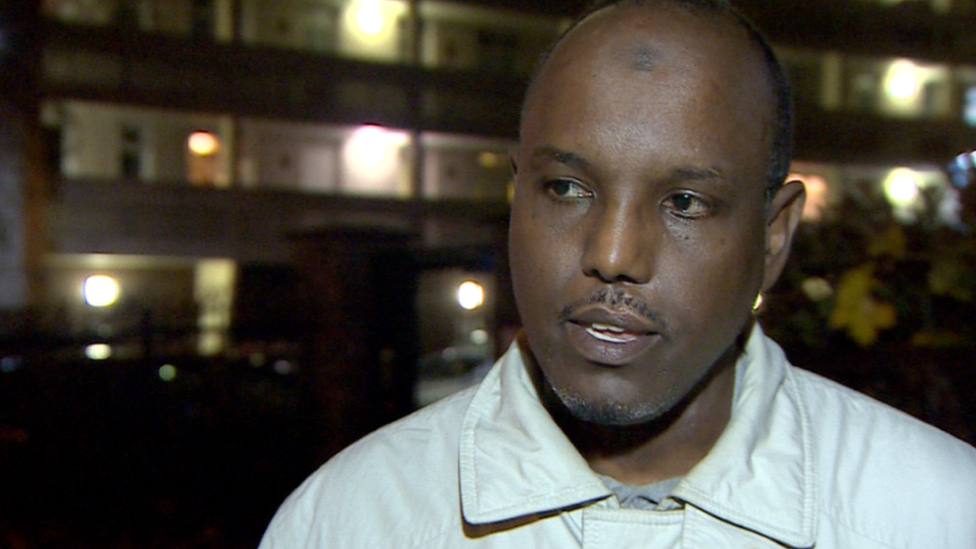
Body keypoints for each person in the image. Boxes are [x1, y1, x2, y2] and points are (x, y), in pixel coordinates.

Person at [259, 1, 976, 546]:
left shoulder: (940, 512)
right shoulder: (346, 520)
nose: (615, 253)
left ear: (775, 234)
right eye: (567, 189)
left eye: (685, 202)